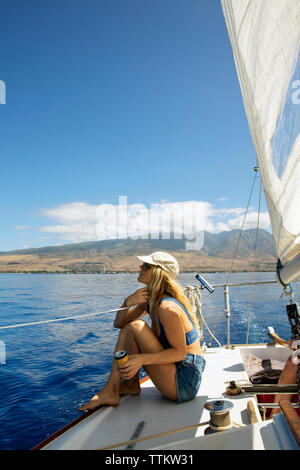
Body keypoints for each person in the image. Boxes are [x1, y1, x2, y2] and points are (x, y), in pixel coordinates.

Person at [78, 251, 206, 411]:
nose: (140, 267)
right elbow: (119, 324)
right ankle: (129, 385)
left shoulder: (168, 308)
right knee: (130, 326)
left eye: (145, 265)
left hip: (185, 381)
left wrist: (140, 360)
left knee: (136, 326)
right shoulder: (152, 301)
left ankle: (111, 390)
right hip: (176, 369)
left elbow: (179, 353)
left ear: (157, 272)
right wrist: (127, 302)